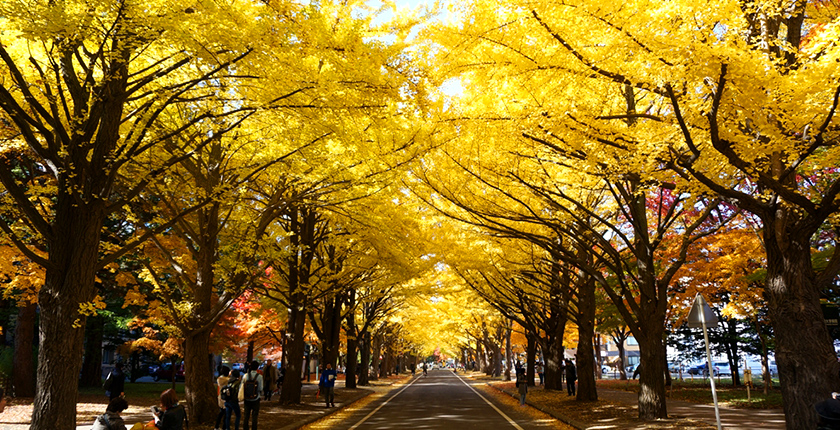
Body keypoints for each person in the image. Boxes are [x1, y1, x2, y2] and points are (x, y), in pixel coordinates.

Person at [239, 360, 264, 430]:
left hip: (247, 398)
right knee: (254, 416)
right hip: (256, 398)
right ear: (257, 367)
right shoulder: (259, 377)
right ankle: (254, 428)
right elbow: (260, 388)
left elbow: (241, 386)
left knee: (246, 415)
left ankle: (245, 428)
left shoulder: (245, 376)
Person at [215, 366, 230, 430]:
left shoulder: (219, 379)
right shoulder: (228, 380)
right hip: (226, 398)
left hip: (220, 397)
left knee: (221, 413)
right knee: (226, 414)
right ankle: (224, 427)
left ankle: (216, 426)